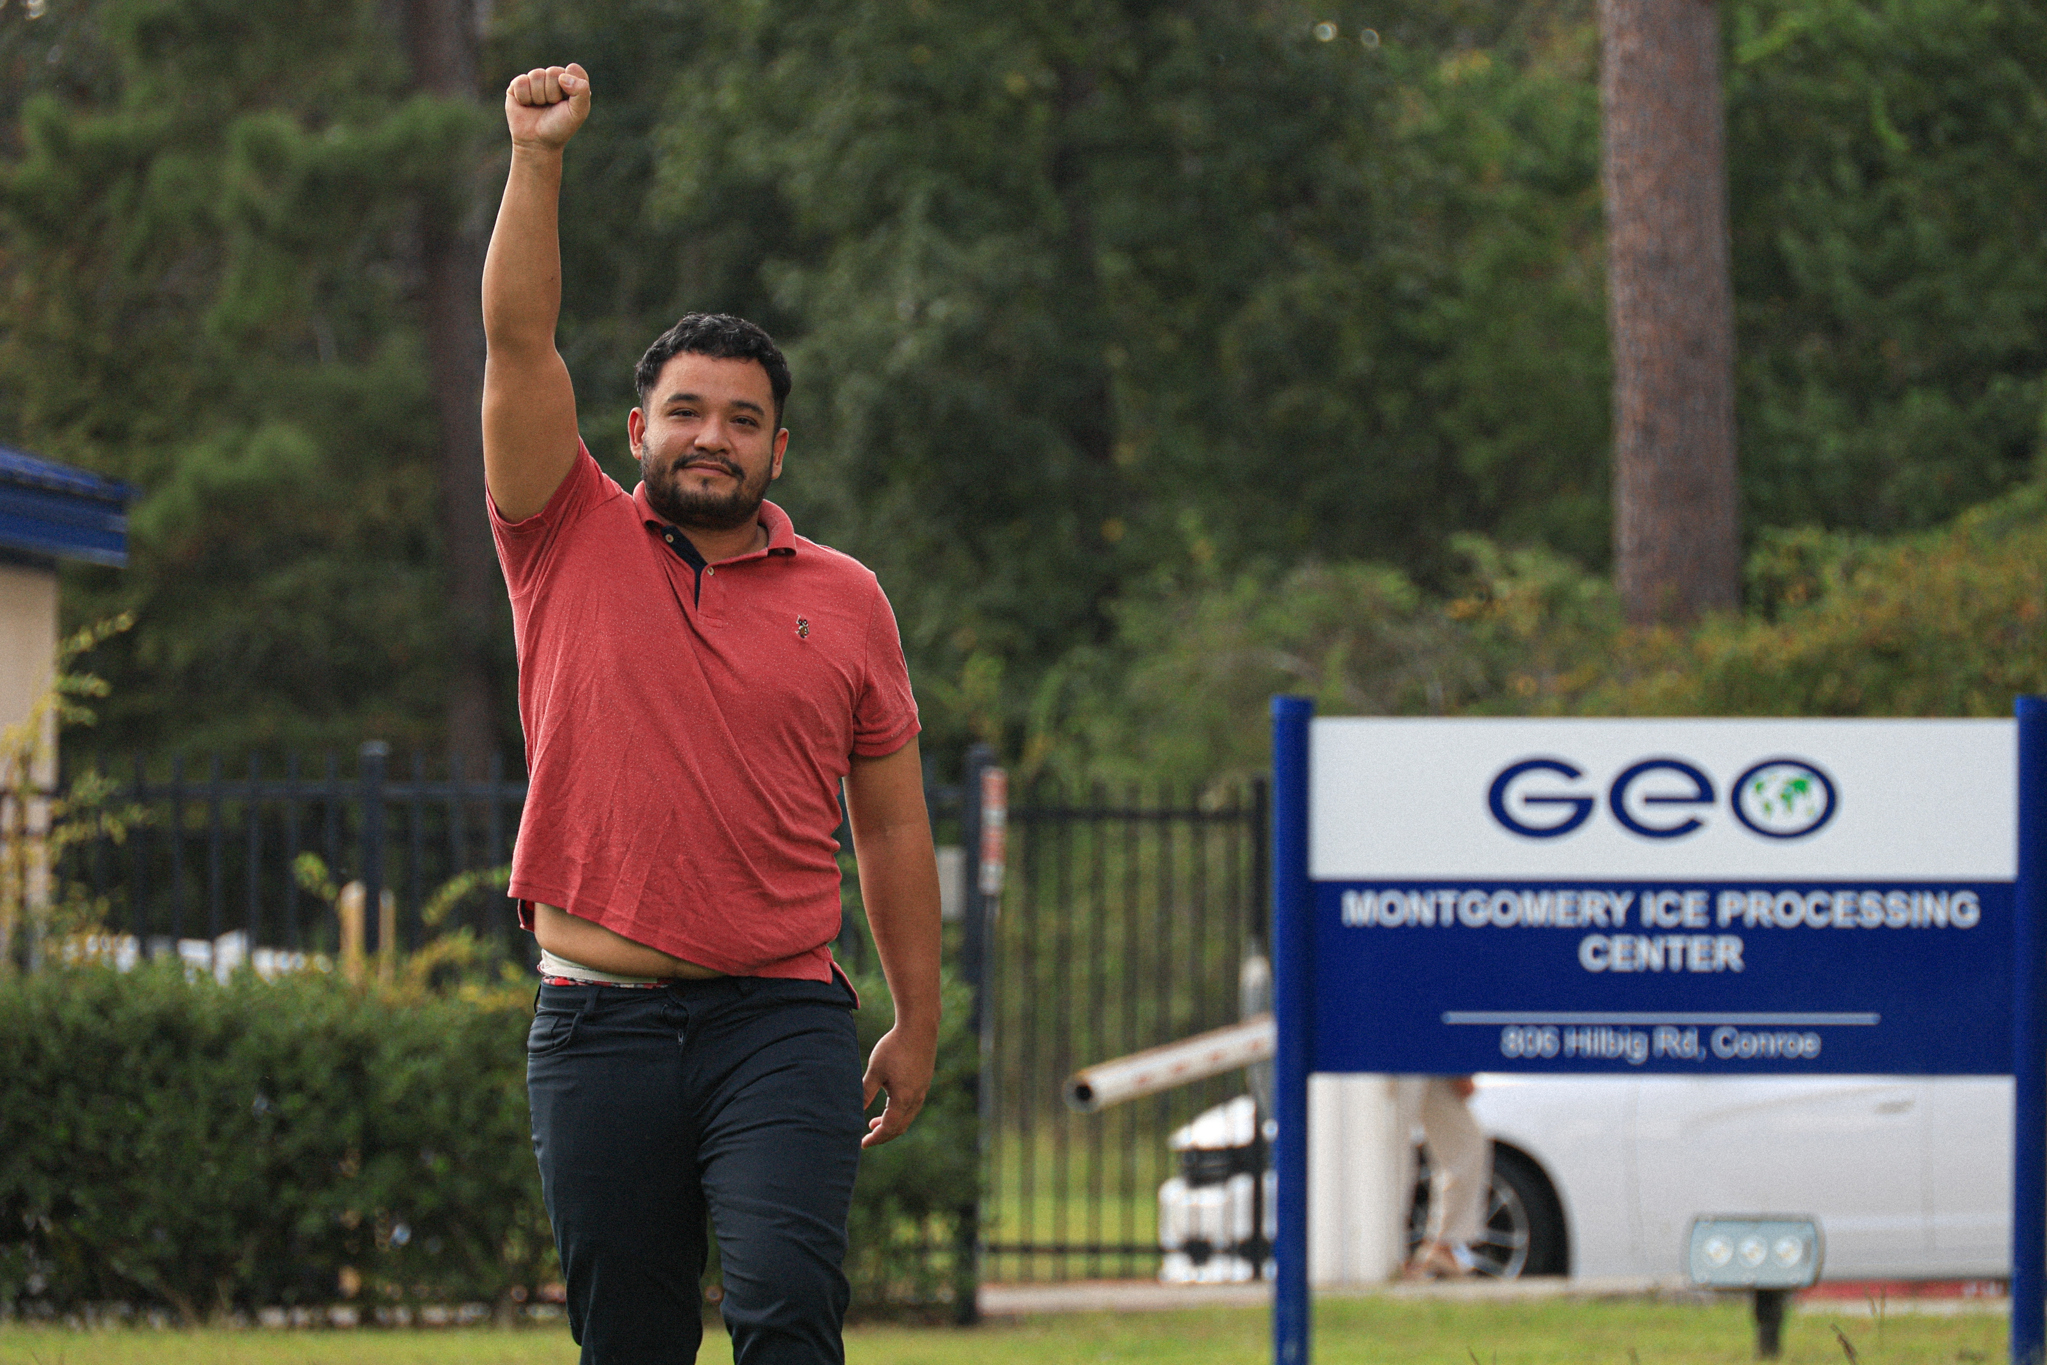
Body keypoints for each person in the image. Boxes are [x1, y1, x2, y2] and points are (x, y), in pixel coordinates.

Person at [482, 63, 942, 1365]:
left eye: (743, 420)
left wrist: (919, 1013)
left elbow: (895, 832)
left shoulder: (848, 601)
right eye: (684, 410)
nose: (711, 436)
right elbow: (517, 340)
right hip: (595, 1018)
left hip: (780, 1021)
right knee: (628, 1344)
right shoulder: (559, 536)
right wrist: (537, 159)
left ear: (778, 451)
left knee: (788, 1315)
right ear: (633, 429)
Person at [1396, 1075, 1491, 1279]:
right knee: (1393, 1147)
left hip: (1431, 1054)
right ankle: (1390, 1257)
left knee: (1465, 1142)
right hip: (1399, 1048)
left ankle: (1443, 1245)